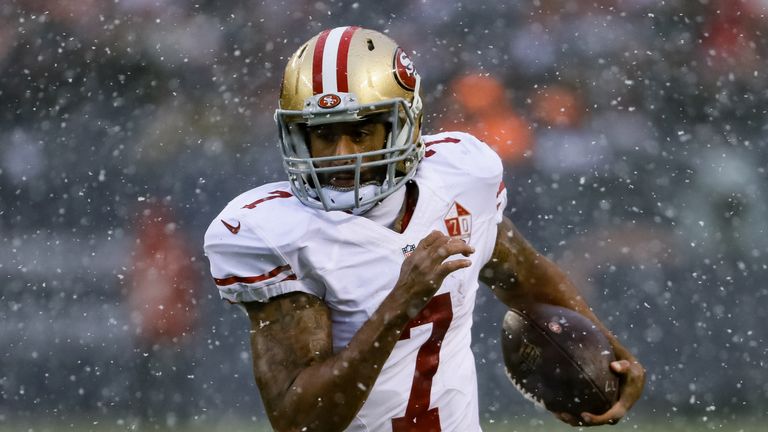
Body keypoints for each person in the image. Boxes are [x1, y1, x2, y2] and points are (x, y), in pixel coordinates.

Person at [203, 26, 644, 431]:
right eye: (322, 134)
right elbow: (301, 422)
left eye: (361, 133)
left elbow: (524, 278)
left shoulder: (459, 178)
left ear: (403, 126)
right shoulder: (275, 234)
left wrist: (604, 348)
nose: (340, 153)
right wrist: (398, 305)